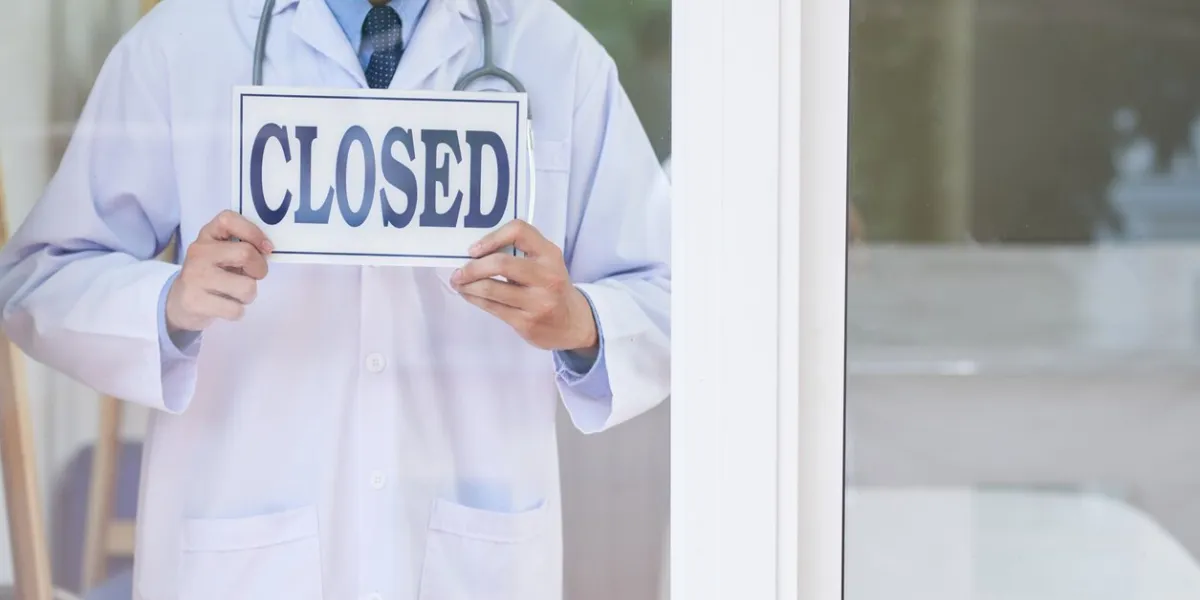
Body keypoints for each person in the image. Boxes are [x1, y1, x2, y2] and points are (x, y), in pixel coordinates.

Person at [0, 0, 670, 598]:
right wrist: (169, 302)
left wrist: (579, 322)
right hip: (243, 558)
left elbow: (672, 298)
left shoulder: (555, 54)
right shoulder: (183, 42)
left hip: (470, 556)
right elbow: (40, 279)